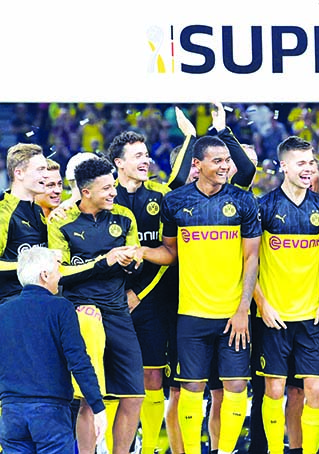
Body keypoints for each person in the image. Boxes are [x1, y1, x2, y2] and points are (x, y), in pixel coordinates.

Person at [134, 135, 261, 454]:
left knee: (235, 386)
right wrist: (142, 252)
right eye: (217, 161)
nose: (224, 166)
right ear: (197, 164)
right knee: (191, 388)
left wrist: (243, 309)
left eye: (226, 161)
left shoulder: (243, 201)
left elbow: (252, 258)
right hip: (190, 314)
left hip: (233, 314)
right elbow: (169, 251)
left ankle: (226, 450)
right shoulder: (175, 202)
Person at [104, 116, 195, 454]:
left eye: (146, 154)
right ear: (118, 163)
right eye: (137, 155)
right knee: (114, 381)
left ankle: (150, 447)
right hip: (111, 302)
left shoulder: (160, 197)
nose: (145, 160)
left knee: (153, 378)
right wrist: (120, 294)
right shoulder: (104, 198)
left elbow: (168, 252)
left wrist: (138, 292)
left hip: (154, 301)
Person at [47, 157, 144, 454]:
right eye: (106, 188)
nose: (113, 192)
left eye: (113, 185)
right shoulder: (61, 222)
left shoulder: (124, 216)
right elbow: (59, 272)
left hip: (117, 311)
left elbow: (136, 254)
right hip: (82, 313)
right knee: (90, 397)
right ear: (85, 192)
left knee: (134, 395)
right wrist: (104, 261)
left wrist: (131, 261)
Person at [254, 136, 319, 454]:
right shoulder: (264, 207)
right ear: (283, 166)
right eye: (301, 163)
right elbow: (248, 262)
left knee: (314, 389)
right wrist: (262, 303)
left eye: (311, 163)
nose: (308, 169)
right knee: (274, 390)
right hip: (275, 315)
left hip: (312, 316)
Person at [0, 247, 107, 452]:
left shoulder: (3, 311)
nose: (60, 276)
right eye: (57, 270)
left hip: (11, 412)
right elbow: (78, 360)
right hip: (50, 412)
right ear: (44, 275)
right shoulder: (62, 307)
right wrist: (97, 406)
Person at [0, 143, 48, 303]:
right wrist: (34, 264)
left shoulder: (38, 210)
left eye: (46, 169)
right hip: (10, 303)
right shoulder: (3, 212)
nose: (46, 175)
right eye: (40, 169)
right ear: (19, 173)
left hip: (38, 300)